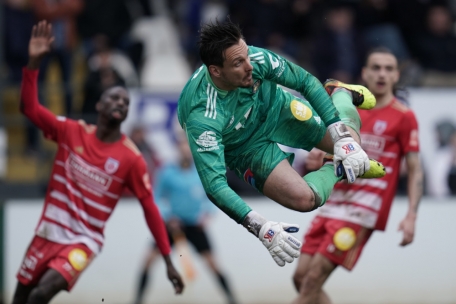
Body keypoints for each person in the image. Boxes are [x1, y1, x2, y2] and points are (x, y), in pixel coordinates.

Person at [177, 19, 385, 268]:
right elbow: (213, 185)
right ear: (216, 71)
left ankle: (340, 93)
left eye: (246, 54)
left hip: (277, 108)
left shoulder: (254, 59)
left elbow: (305, 82)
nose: (249, 66)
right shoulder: (202, 116)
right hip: (245, 149)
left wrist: (342, 139)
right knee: (305, 200)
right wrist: (261, 227)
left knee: (352, 143)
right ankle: (335, 165)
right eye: (238, 63)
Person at [12, 20, 184, 304]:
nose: (121, 103)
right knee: (21, 298)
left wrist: (167, 258)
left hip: (84, 241)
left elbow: (149, 206)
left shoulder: (131, 157)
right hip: (47, 232)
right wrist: (33, 64)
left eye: (126, 102)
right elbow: (29, 108)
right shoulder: (71, 131)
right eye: (114, 98)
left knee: (42, 294)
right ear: (99, 105)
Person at [291, 47, 423, 304]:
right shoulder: (348, 111)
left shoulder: (404, 117)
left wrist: (411, 216)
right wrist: (319, 157)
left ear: (396, 75)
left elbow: (416, 168)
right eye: (376, 67)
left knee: (312, 281)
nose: (382, 74)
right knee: (300, 278)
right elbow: (328, 152)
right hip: (333, 204)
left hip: (363, 210)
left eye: (388, 69)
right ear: (364, 73)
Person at [134, 137, 238, 304]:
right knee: (147, 261)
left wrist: (207, 215)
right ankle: (137, 300)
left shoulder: (202, 171)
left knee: (214, 265)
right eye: (182, 148)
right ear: (177, 150)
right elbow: (156, 197)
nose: (185, 151)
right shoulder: (167, 172)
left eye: (188, 148)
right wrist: (168, 216)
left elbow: (214, 193)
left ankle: (233, 300)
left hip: (195, 226)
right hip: (172, 225)